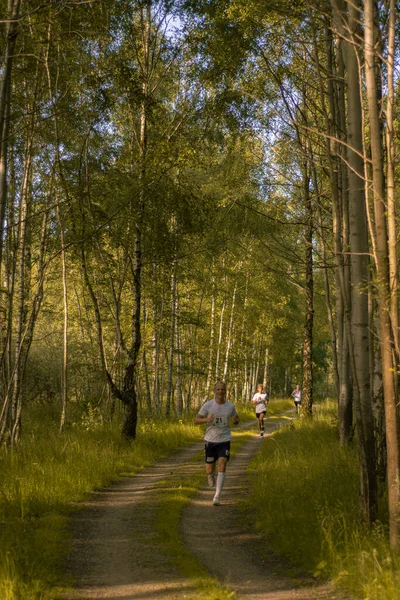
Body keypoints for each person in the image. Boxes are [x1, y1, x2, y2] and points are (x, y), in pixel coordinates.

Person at [194, 381, 239, 506]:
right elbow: (196, 420)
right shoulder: (208, 405)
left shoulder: (230, 406)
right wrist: (206, 420)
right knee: (209, 468)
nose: (220, 392)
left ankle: (217, 496)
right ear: (214, 391)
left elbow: (236, 418)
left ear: (225, 391)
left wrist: (235, 420)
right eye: (218, 389)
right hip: (210, 440)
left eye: (222, 390)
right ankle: (210, 475)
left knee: (222, 464)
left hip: (224, 440)